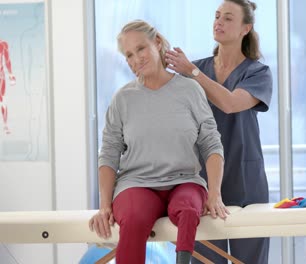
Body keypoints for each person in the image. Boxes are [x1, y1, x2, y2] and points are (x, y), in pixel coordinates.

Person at [88, 19, 229, 264]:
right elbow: (109, 154)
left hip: (184, 181)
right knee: (132, 218)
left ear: (157, 43)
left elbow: (211, 144)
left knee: (188, 209)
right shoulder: (123, 99)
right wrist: (104, 206)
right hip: (136, 185)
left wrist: (214, 194)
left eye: (140, 49)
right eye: (129, 55)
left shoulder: (190, 90)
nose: (135, 60)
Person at [165, 0, 273, 263]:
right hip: (202, 180)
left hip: (246, 181)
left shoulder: (258, 72)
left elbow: (229, 103)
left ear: (245, 28)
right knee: (206, 258)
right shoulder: (195, 69)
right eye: (216, 16)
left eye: (227, 18)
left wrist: (192, 72)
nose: (218, 22)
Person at [0, 39, 16, 135]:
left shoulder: (2, 44)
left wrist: (11, 75)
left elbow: (7, 61)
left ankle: (5, 124)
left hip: (0, 76)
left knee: (2, 100)